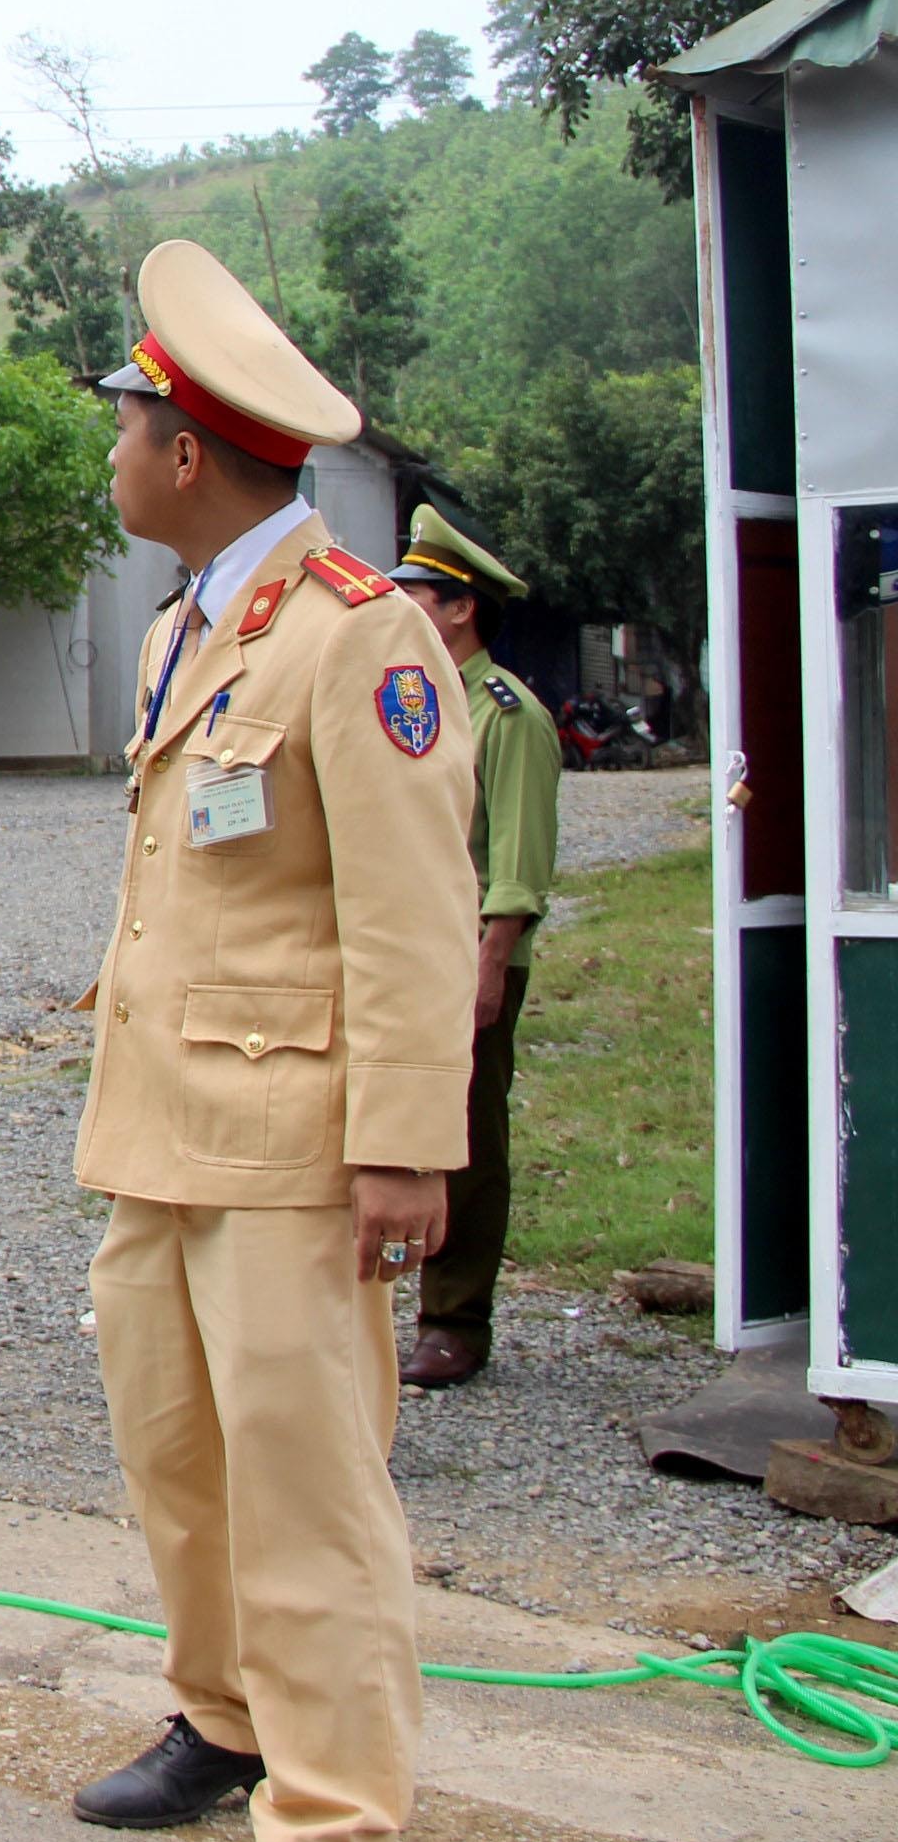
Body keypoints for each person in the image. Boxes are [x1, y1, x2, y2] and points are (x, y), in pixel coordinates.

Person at [68, 241, 477, 1842]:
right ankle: (225, 1723)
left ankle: (335, 1806)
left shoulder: (359, 637)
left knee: (308, 1493)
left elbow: (412, 914)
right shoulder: (195, 624)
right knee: (177, 1463)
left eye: (123, 432)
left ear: (183, 454)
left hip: (297, 1151)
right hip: (162, 1132)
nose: (112, 458)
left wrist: (404, 1148)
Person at [386, 505, 562, 1390]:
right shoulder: (412, 702)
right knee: (391, 1124)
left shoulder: (507, 715)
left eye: (416, 589)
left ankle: (455, 1320)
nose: (399, 599)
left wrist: (493, 960)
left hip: (470, 955)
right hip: (406, 955)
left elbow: (520, 861)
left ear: (460, 609)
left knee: (465, 1140)